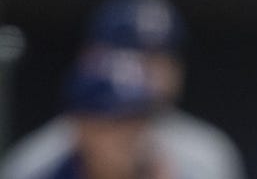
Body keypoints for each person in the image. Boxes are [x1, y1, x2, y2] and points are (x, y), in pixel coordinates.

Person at [0, 0, 245, 179]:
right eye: (113, 120)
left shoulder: (200, 156)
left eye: (137, 119)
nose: (128, 135)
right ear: (81, 124)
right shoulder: (40, 162)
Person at [8, 49, 170, 179]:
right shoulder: (32, 170)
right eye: (116, 122)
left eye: (138, 119)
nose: (130, 135)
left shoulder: (184, 170)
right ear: (79, 127)